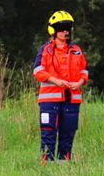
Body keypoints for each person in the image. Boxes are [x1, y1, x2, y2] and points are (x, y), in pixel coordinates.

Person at [33, 11, 89, 164]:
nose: (66, 32)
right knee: (49, 131)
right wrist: (54, 81)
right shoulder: (46, 50)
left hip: (72, 98)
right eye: (62, 28)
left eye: (68, 28)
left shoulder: (76, 50)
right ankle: (47, 162)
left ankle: (65, 163)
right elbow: (38, 71)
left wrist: (81, 81)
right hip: (50, 98)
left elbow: (84, 70)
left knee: (68, 131)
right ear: (53, 30)